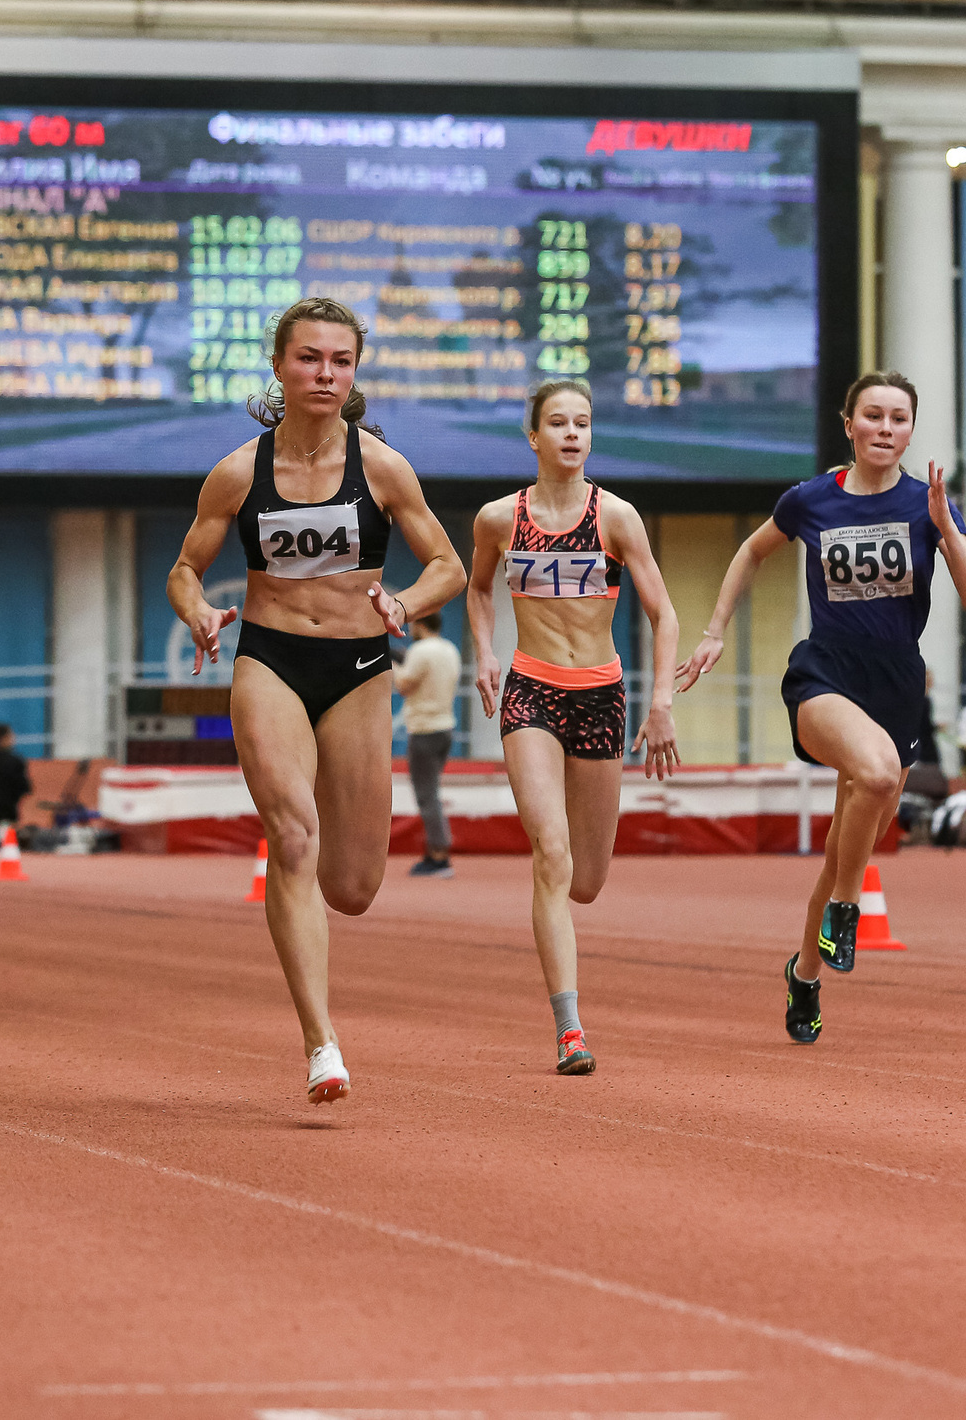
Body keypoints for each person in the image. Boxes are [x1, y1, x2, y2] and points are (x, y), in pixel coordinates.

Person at [169, 297, 464, 1105]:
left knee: (354, 887)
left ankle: (322, 990)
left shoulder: (383, 466)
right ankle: (320, 1042)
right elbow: (185, 567)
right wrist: (195, 608)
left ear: (355, 370)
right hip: (270, 659)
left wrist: (403, 599)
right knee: (292, 837)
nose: (325, 373)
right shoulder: (240, 471)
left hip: (361, 666)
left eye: (340, 360)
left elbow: (449, 565)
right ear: (280, 366)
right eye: (309, 358)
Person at [678, 370, 966, 1045]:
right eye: (872, 416)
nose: (885, 428)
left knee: (838, 851)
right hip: (824, 673)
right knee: (878, 776)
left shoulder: (927, 504)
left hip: (897, 683)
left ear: (911, 430)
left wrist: (947, 530)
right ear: (848, 425)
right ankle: (848, 905)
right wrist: (713, 630)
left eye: (898, 418)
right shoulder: (811, 499)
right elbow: (751, 550)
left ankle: (805, 971)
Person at [466, 377, 680, 1075]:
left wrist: (661, 702)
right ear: (533, 437)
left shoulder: (616, 517)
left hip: (600, 696)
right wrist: (486, 652)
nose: (571, 434)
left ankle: (568, 988)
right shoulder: (499, 519)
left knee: (585, 879)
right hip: (530, 691)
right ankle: (569, 1028)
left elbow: (664, 612)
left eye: (582, 423)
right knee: (550, 852)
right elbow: (475, 588)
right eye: (557, 422)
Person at [395, 614, 460, 878]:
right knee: (431, 791)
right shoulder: (450, 649)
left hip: (424, 729)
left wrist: (393, 662)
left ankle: (439, 856)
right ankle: (436, 850)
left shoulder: (420, 651)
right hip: (445, 726)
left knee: (427, 794)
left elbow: (403, 685)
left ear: (420, 625)